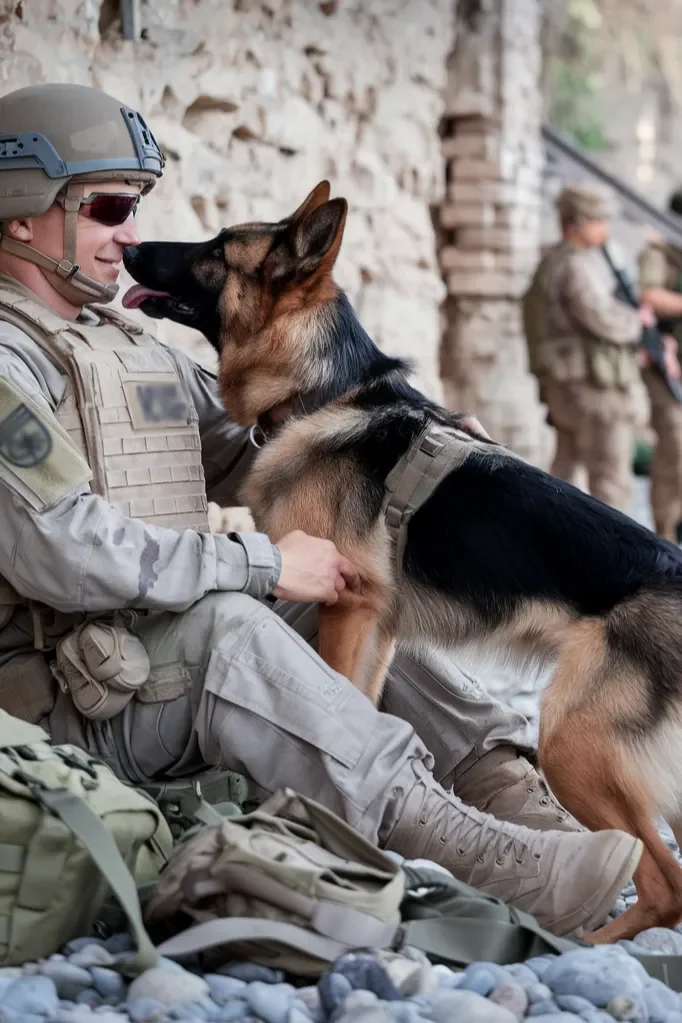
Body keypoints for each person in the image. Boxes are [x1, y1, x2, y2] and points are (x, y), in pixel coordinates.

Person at [0, 83, 641, 937]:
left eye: (135, 204)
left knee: (355, 586)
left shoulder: (123, 349)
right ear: (19, 216)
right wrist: (264, 565)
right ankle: (482, 853)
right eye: (111, 206)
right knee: (237, 624)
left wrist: (427, 445)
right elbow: (64, 550)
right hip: (72, 698)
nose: (132, 232)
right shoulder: (10, 366)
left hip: (143, 663)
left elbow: (270, 457)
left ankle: (518, 805)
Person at [523, 183, 649, 512]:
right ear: (579, 222)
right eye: (600, 220)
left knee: (564, 475)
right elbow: (601, 318)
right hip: (594, 392)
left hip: (570, 389)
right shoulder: (576, 266)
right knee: (612, 482)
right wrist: (638, 320)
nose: (606, 228)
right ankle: (620, 561)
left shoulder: (553, 260)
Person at [638, 189, 682, 543]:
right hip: (665, 367)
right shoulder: (660, 252)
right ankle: (665, 535)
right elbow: (649, 296)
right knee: (675, 447)